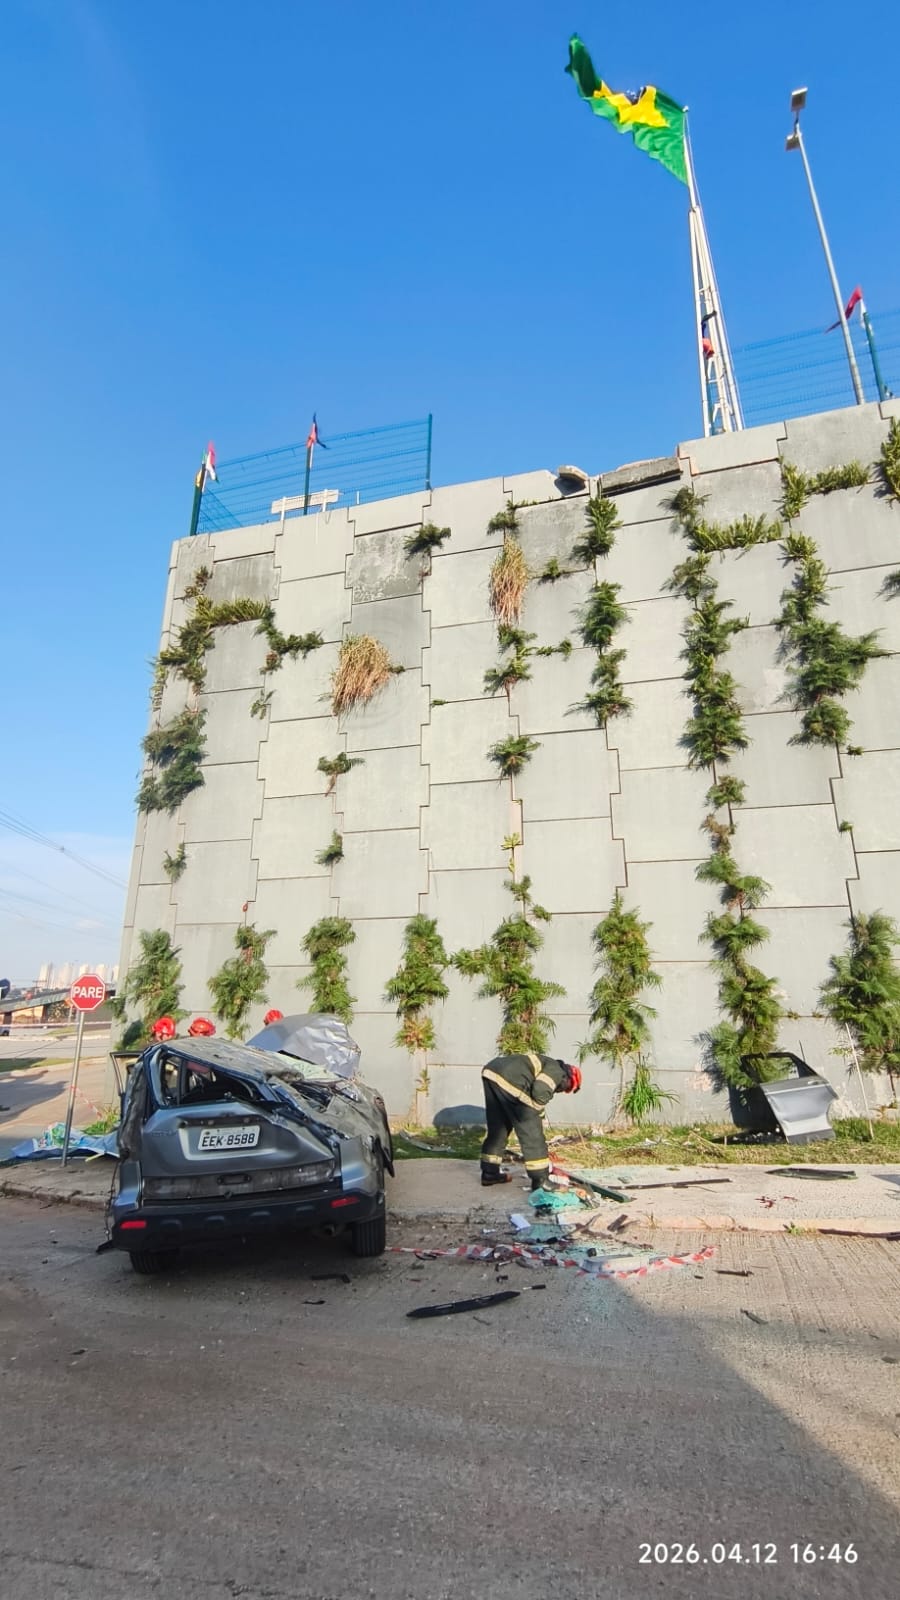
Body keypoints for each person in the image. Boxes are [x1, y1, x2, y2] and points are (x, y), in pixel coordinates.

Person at [480, 1051, 581, 1190]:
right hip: (511, 1079)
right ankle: (541, 1180)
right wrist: (537, 1113)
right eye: (566, 1088)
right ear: (569, 1077)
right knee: (532, 1133)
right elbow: (540, 1092)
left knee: (499, 1129)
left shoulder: (545, 1063)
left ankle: (489, 1173)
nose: (561, 1090)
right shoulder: (557, 1070)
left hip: (492, 1072)